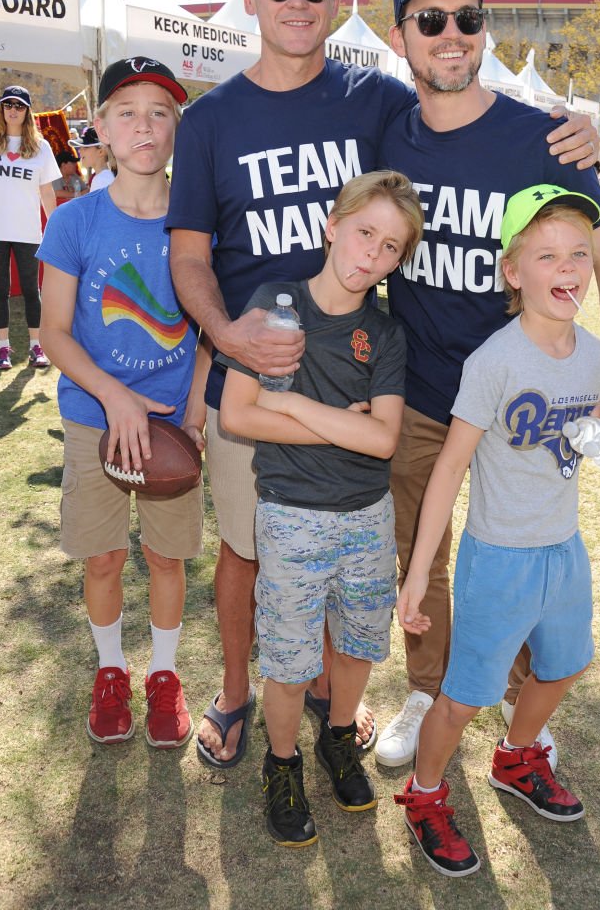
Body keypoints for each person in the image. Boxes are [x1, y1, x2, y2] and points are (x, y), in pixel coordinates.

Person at [166, 0, 600, 768]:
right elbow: (188, 254)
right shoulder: (213, 118)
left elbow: (463, 107)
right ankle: (236, 691)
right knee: (250, 548)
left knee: (367, 550)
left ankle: (344, 698)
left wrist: (572, 124)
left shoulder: (380, 102)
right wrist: (226, 337)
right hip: (262, 375)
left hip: (373, 377)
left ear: (338, 0)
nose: (297, 1)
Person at [373, 0, 600, 769]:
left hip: (532, 402)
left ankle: (514, 693)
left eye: (468, 16)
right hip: (427, 393)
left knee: (532, 553)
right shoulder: (389, 136)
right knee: (419, 554)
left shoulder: (547, 139)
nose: (451, 33)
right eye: (431, 19)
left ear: (484, 26)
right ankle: (428, 686)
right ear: (401, 37)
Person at [393, 183, 600, 877]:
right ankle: (424, 795)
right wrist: (420, 572)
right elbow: (449, 469)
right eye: (546, 255)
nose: (566, 268)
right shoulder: (494, 362)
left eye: (577, 253)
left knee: (566, 665)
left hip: (563, 554)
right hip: (498, 561)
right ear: (513, 272)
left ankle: (516, 759)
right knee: (465, 697)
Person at [215, 170, 422, 846]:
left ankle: (339, 737)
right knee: (289, 659)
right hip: (292, 512)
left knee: (358, 646)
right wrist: (340, 420)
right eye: (365, 233)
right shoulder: (275, 303)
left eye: (391, 247)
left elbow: (384, 437)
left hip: (367, 516)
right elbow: (240, 414)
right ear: (333, 225)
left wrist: (295, 403)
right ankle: (281, 766)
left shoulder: (384, 333)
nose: (372, 254)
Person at [37, 57, 207, 749]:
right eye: (127, 111)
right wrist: (114, 397)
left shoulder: (200, 226)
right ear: (101, 126)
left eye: (160, 112)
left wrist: (192, 415)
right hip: (91, 419)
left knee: (167, 560)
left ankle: (163, 676)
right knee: (103, 557)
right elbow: (51, 330)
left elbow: (208, 334)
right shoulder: (76, 221)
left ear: (176, 130)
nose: (145, 125)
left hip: (171, 425)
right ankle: (111, 671)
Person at [0, 85, 59, 371]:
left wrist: (56, 227)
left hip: (28, 231)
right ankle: (2, 348)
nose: (13, 110)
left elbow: (46, 192)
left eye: (19, 105)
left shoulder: (40, 146)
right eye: (7, 104)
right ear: (1, 109)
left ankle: (36, 346)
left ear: (27, 111)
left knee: (33, 291)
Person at [73, 125, 115, 192]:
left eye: (85, 147)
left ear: (101, 152)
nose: (80, 150)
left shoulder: (103, 179)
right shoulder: (102, 177)